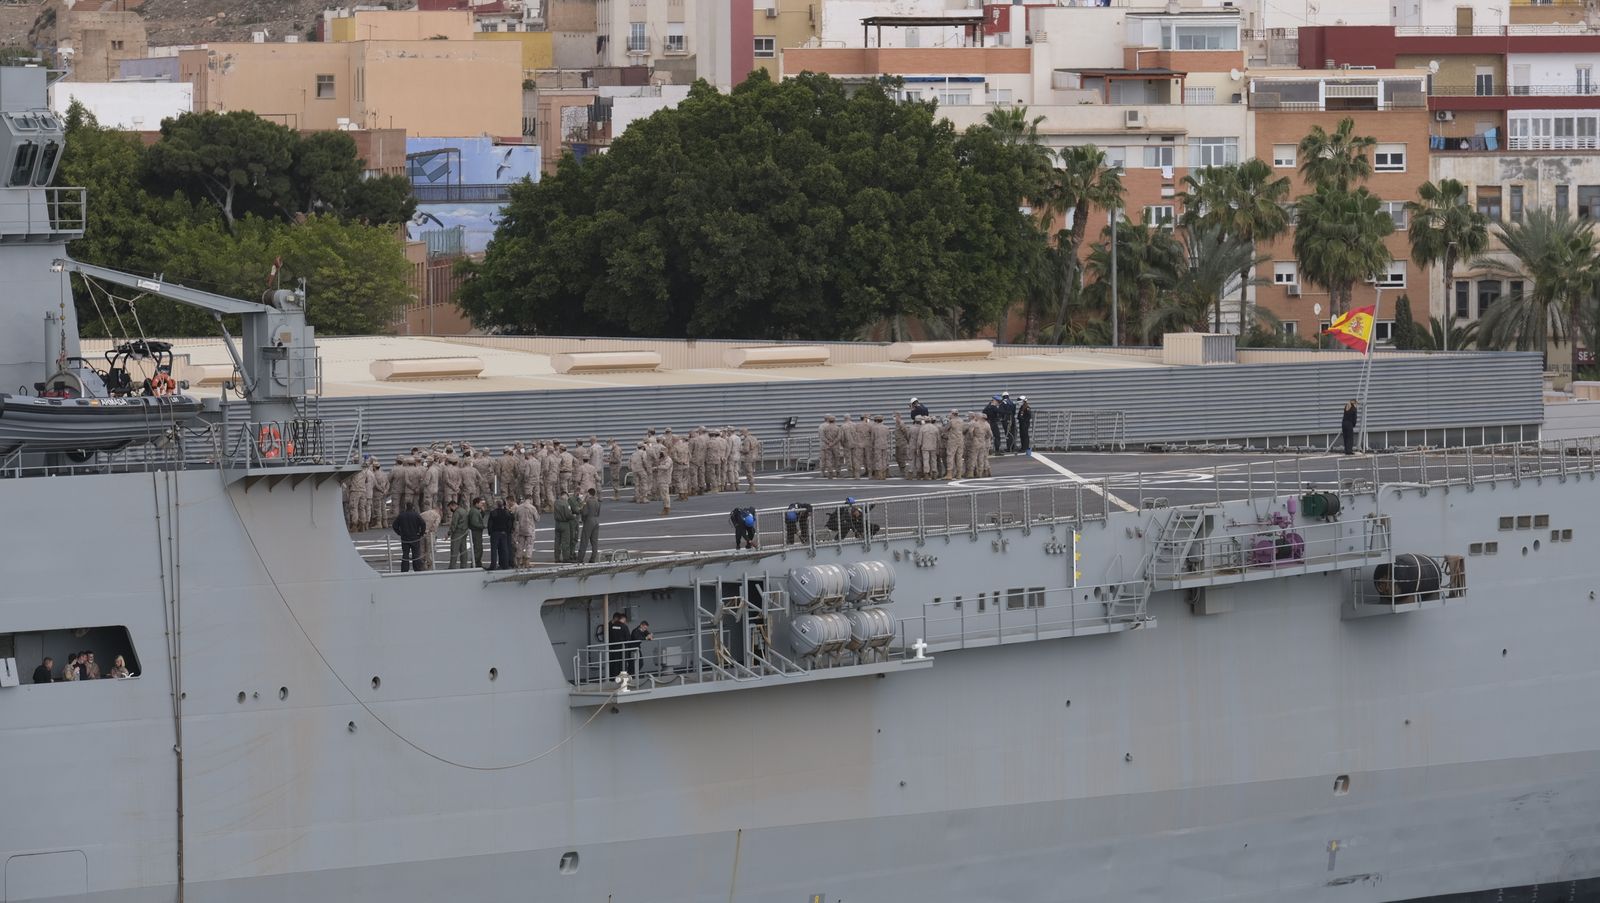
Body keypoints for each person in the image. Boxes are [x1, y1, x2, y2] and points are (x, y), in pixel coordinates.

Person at [392, 501, 427, 572]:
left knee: (405, 554)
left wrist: (399, 533)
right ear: (413, 507)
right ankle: (417, 569)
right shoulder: (416, 515)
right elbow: (423, 524)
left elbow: (394, 525)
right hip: (415, 537)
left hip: (405, 537)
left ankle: (404, 569)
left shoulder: (401, 515)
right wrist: (421, 533)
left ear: (406, 507)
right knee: (416, 554)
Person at [487, 500, 516, 570]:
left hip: (495, 532)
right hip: (504, 532)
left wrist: (490, 532)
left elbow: (490, 524)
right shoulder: (507, 513)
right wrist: (508, 531)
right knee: (505, 549)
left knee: (494, 550)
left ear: (497, 505)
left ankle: (493, 565)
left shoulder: (493, 513)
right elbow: (510, 523)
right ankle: (505, 565)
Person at [576, 488, 602, 564]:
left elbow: (584, 513)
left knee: (584, 540)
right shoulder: (597, 502)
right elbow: (598, 513)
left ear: (589, 493)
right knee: (594, 542)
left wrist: (580, 510)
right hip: (596, 521)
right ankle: (593, 558)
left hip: (588, 521)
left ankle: (580, 558)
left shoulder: (587, 502)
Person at [445, 501, 470, 569]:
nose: (450, 509)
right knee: (463, 549)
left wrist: (449, 533)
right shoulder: (463, 510)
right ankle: (464, 565)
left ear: (453, 505)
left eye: (450, 507)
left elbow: (454, 524)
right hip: (464, 531)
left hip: (457, 533)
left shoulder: (457, 512)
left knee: (454, 550)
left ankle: (452, 566)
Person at [606, 612, 630, 679]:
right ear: (623, 619)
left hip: (612, 649)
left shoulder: (611, 626)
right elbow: (628, 638)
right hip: (622, 649)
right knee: (622, 664)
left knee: (613, 664)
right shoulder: (624, 626)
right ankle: (623, 678)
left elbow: (608, 636)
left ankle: (613, 678)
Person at [468, 497, 489, 568]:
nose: (482, 505)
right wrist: (483, 526)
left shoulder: (476, 511)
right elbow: (474, 523)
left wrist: (482, 511)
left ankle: (478, 563)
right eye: (480, 503)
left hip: (477, 532)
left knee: (479, 548)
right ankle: (475, 564)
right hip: (476, 532)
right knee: (478, 548)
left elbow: (480, 517)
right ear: (476, 504)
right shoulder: (474, 512)